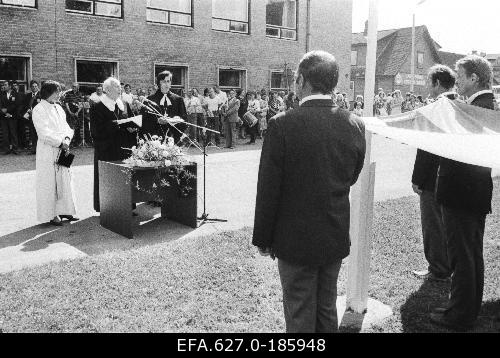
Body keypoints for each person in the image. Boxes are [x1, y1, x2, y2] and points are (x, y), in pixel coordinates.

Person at [252, 51, 366, 333]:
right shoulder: (354, 124)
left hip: (295, 238)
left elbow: (268, 189)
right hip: (333, 233)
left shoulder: (281, 124)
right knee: (326, 307)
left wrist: (263, 238)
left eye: (294, 79)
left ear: (301, 80)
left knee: (300, 310)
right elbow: (351, 176)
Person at [430, 55, 495, 331]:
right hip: (471, 194)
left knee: (463, 256)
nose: (456, 82)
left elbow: (464, 152)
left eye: (460, 76)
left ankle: (459, 315)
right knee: (470, 255)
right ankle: (466, 307)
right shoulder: (480, 105)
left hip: (462, 194)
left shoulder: (480, 107)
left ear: (474, 79)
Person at [412, 65, 457, 283]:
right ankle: (446, 265)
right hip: (454, 176)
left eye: (428, 82)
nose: (426, 86)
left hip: (432, 177)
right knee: (447, 225)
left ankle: (438, 268)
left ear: (437, 83)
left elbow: (427, 147)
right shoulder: (459, 103)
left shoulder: (438, 106)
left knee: (433, 225)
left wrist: (417, 179)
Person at [32, 80, 78, 226]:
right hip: (48, 150)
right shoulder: (39, 109)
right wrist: (60, 142)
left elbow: (67, 127)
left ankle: (66, 210)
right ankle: (52, 214)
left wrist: (66, 139)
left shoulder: (59, 108)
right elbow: (43, 132)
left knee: (65, 179)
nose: (59, 94)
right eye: (57, 91)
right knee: (50, 182)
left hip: (63, 148)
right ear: (48, 92)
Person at [90, 77, 137, 212]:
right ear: (107, 90)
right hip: (107, 148)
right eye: (116, 86)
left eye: (119, 86)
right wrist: (117, 125)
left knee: (124, 177)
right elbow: (96, 130)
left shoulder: (124, 104)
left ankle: (126, 206)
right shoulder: (97, 106)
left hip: (123, 146)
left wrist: (132, 127)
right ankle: (108, 208)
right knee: (109, 179)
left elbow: (130, 120)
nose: (120, 88)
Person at [141, 71, 187, 144]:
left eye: (168, 81)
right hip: (155, 140)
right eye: (163, 81)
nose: (166, 84)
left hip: (173, 139)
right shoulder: (149, 100)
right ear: (159, 83)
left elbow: (184, 120)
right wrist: (157, 120)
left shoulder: (178, 99)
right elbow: (144, 121)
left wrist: (176, 120)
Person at [22, 80, 41, 154]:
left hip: (39, 118)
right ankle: (34, 149)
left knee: (39, 133)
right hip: (30, 117)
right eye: (32, 86)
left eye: (36, 86)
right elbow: (24, 105)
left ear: (38, 87)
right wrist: (28, 111)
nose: (34, 88)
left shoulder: (41, 96)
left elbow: (43, 107)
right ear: (30, 87)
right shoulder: (28, 96)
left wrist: (36, 112)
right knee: (32, 133)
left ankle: (40, 150)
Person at [0, 81, 19, 154]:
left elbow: (16, 105)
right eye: (3, 85)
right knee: (5, 134)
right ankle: (6, 149)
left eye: (5, 85)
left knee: (13, 133)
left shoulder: (15, 94)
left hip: (12, 116)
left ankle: (15, 149)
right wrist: (3, 111)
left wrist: (7, 110)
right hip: (3, 117)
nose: (4, 86)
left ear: (10, 86)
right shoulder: (1, 94)